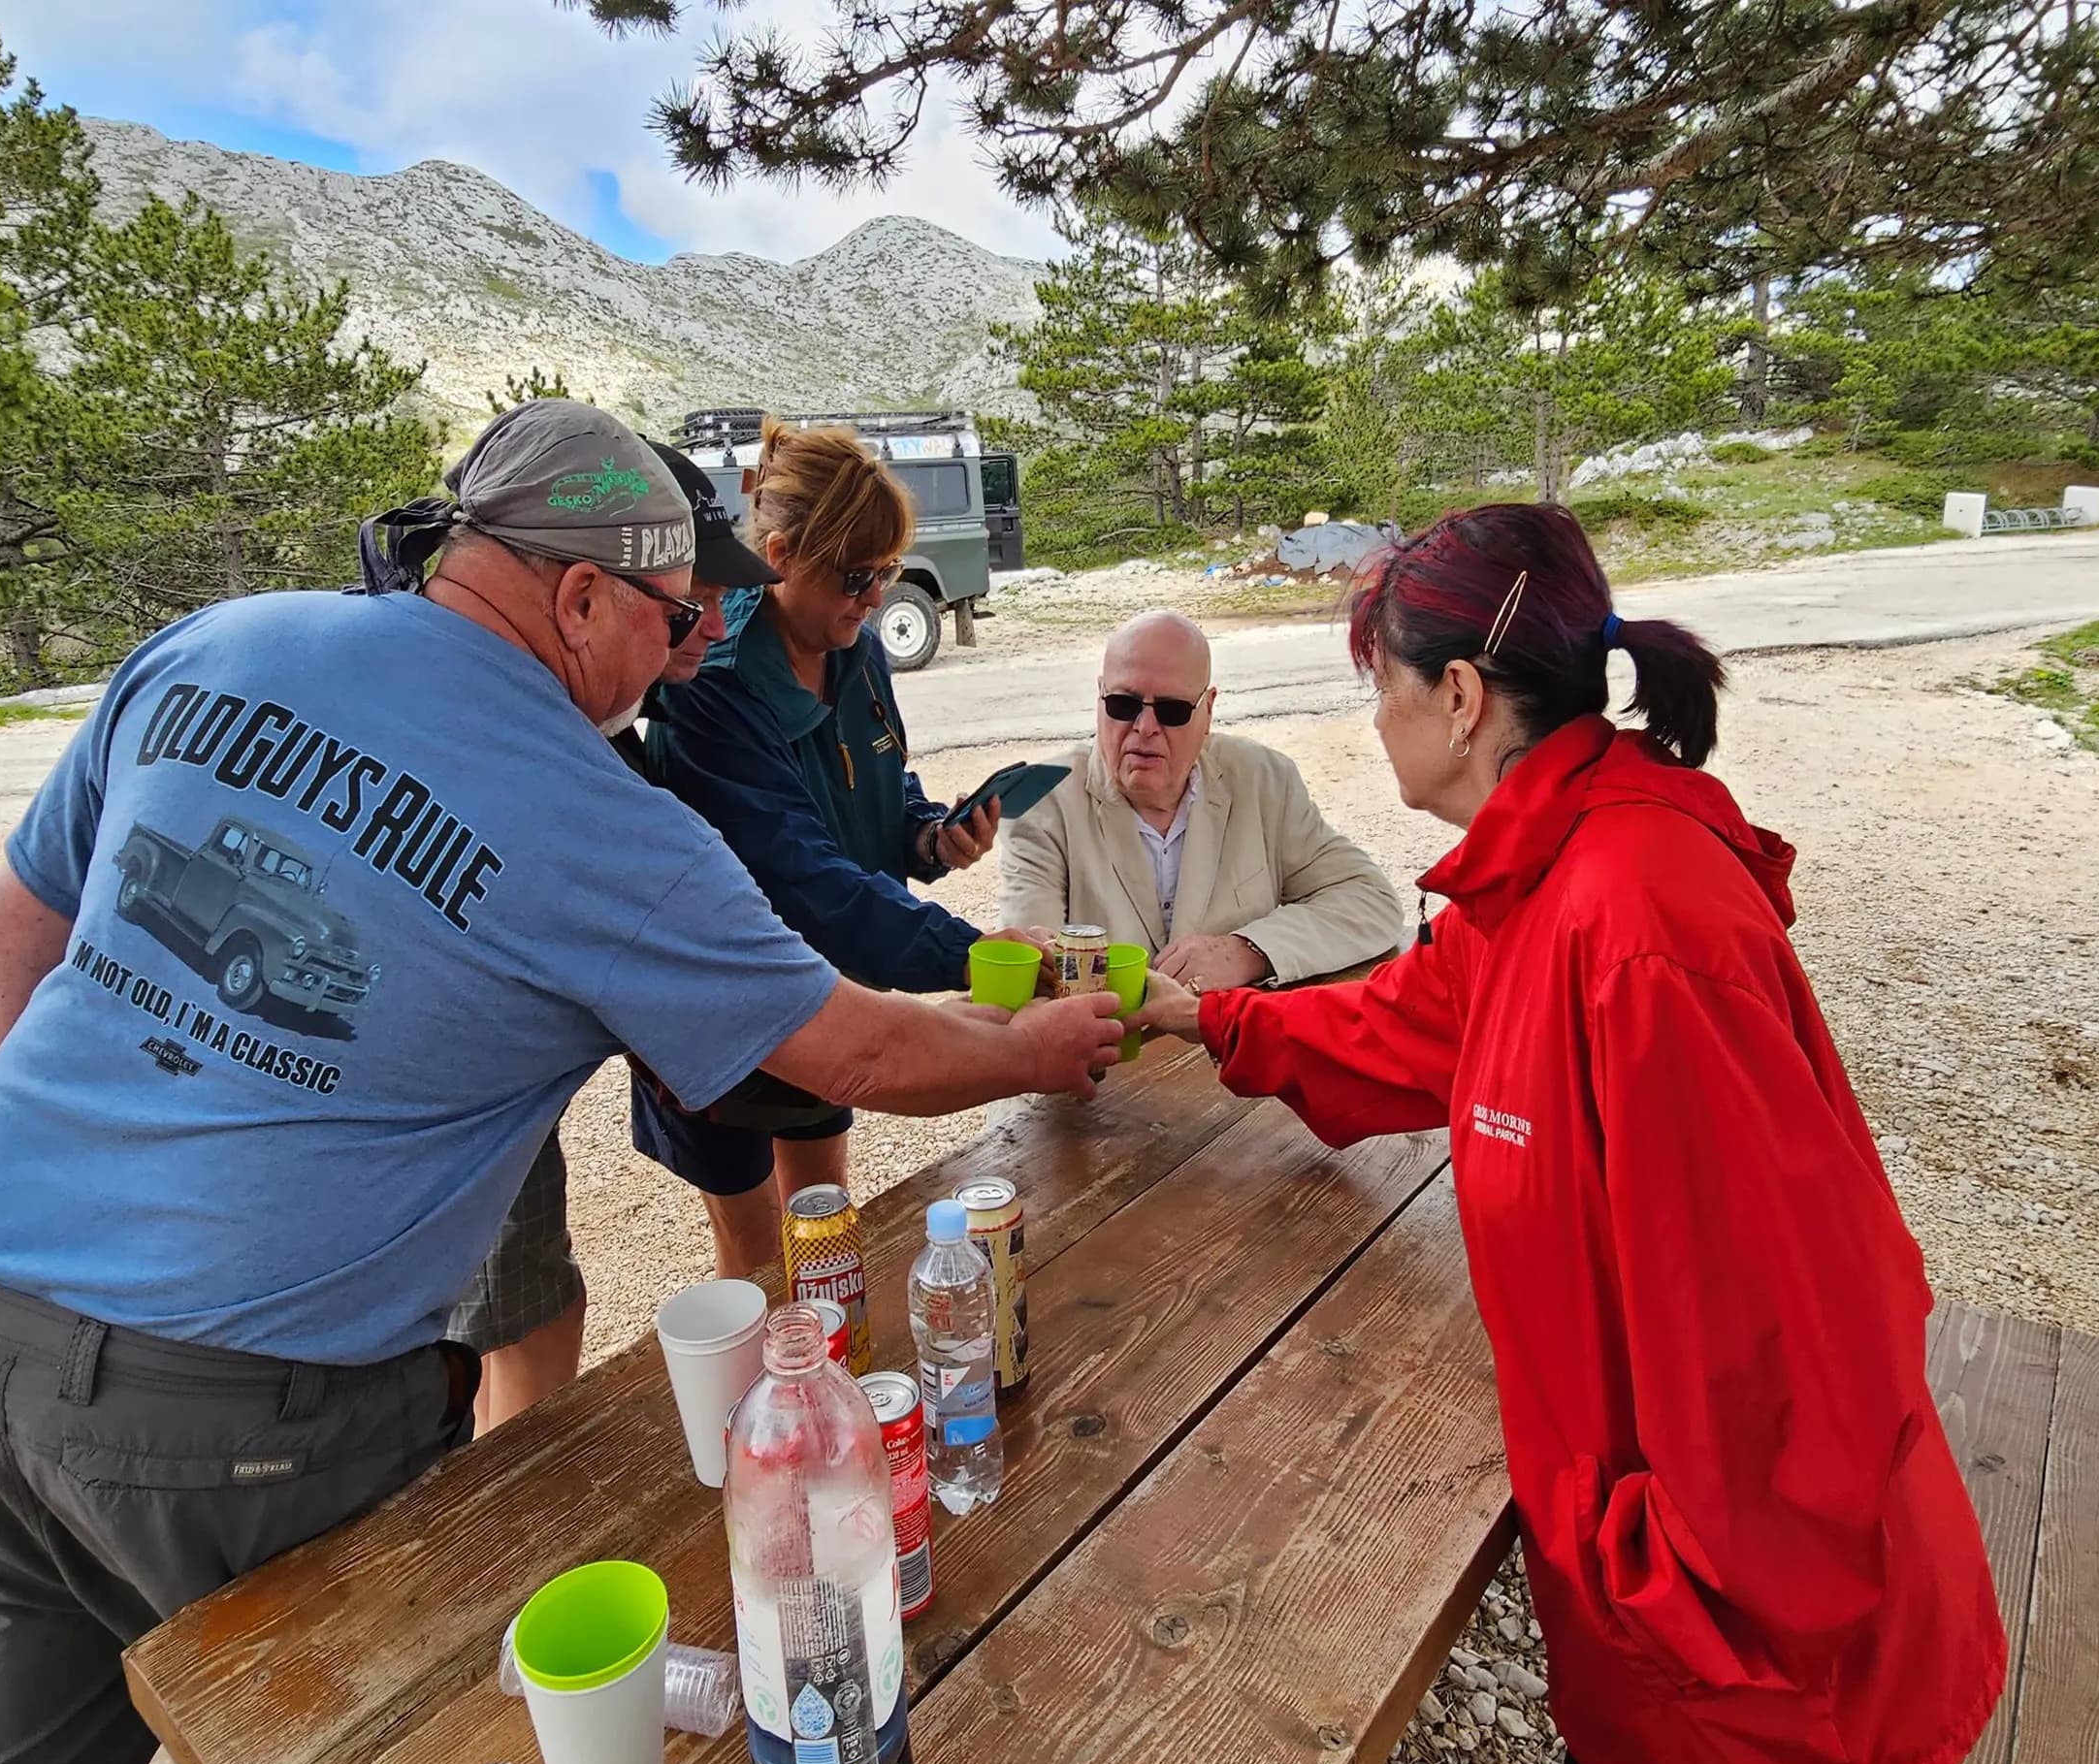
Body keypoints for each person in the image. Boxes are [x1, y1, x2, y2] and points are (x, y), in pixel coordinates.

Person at [0, 400, 1120, 1764]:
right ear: (580, 592)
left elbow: (10, 918)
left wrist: (52, 1191)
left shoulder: (227, 643)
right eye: (668, 617)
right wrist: (1035, 1044)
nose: (682, 655)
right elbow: (851, 1044)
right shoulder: (590, 806)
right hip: (248, 1408)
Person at [1133, 503, 2002, 1764]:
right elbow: (1404, 1021)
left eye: (1383, 689)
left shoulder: (1640, 925)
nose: (1376, 722)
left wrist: (1639, 1570)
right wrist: (1220, 1024)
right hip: (1651, 1613)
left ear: (1462, 698)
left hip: (1734, 1647)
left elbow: (1797, 1334)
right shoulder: (1539, 874)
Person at [443, 438, 784, 1433]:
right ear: (585, 598)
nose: (715, 625)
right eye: (690, 602)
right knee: (523, 1323)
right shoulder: (551, 746)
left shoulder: (610, 723)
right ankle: (504, 1538)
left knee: (531, 1311)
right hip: (462, 1102)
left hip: (507, 1092)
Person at [646, 417, 1039, 1274]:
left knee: (823, 1224)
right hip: (725, 1006)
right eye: (858, 577)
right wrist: (968, 954)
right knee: (755, 1258)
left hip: (833, 988)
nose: (874, 600)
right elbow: (803, 879)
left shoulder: (852, 646)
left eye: (890, 573)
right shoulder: (713, 687)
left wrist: (930, 837)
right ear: (782, 554)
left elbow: (880, 777)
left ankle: (833, 1379)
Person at [996, 609, 1401, 988]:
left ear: (1208, 711)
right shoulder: (1044, 804)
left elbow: (1370, 900)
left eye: (1172, 711)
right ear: (1099, 699)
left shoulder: (1262, 781)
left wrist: (1248, 951)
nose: (1145, 727)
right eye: (1123, 704)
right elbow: (1035, 968)